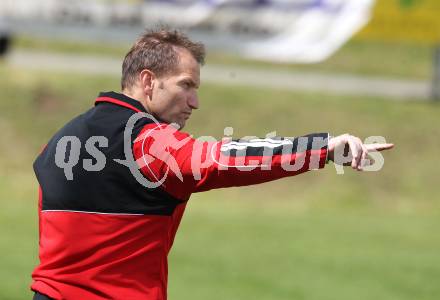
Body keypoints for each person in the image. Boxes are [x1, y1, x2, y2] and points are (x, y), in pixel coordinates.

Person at [31, 28, 393, 300]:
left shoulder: (58, 141)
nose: (195, 102)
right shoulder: (148, 143)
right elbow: (228, 159)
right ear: (147, 81)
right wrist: (323, 148)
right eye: (186, 85)